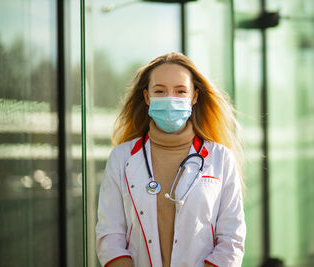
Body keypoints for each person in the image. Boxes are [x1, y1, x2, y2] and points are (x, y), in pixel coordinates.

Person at [96, 52, 246, 267]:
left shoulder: (220, 158)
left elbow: (232, 239)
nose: (170, 99)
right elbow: (109, 235)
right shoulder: (121, 158)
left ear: (194, 97)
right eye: (160, 91)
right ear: (147, 97)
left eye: (180, 91)